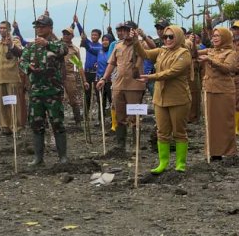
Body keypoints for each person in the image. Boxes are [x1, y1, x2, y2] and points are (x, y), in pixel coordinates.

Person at [134, 26, 192, 173]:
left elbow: (172, 72)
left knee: (179, 131)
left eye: (171, 37)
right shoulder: (161, 51)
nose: (167, 39)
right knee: (162, 131)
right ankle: (163, 163)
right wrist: (136, 42)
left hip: (178, 98)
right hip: (160, 98)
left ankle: (180, 163)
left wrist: (151, 77)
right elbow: (145, 54)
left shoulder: (184, 53)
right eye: (165, 37)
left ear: (178, 37)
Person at [20, 15, 69, 165]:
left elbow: (64, 50)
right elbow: (22, 61)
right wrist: (28, 67)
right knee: (37, 124)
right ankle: (38, 158)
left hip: (53, 92)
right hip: (36, 92)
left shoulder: (57, 44)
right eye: (37, 27)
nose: (39, 29)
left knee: (57, 124)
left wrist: (47, 44)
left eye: (42, 26)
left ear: (50, 28)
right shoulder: (30, 46)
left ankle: (63, 157)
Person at [96, 21, 145, 151]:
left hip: (135, 86)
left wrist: (138, 38)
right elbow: (111, 64)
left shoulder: (140, 45)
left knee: (135, 116)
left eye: (127, 29)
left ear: (133, 30)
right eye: (122, 30)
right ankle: (120, 144)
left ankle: (136, 144)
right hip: (118, 86)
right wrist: (104, 78)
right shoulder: (118, 46)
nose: (123, 32)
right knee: (119, 115)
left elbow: (149, 51)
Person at [198, 27, 237, 159]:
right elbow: (194, 53)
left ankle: (228, 152)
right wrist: (191, 43)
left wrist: (210, 60)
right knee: (211, 122)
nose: (214, 38)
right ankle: (214, 152)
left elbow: (228, 68)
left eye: (217, 36)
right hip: (209, 89)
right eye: (213, 36)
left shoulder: (231, 53)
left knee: (225, 122)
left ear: (225, 38)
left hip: (224, 91)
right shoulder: (210, 50)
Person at [0, 21, 24, 135]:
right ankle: (5, 126)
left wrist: (11, 45)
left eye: (4, 28)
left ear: (9, 30)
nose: (2, 30)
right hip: (0, 78)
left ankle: (16, 126)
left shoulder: (15, 41)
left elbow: (20, 53)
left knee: (14, 104)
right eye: (0, 28)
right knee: (3, 104)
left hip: (13, 78)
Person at [61, 25, 90, 126]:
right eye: (64, 33)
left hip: (69, 76)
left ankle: (78, 121)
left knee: (73, 99)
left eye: (67, 34)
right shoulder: (56, 45)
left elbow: (79, 66)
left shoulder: (74, 50)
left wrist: (84, 80)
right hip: (56, 75)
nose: (65, 35)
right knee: (56, 99)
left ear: (72, 36)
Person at [74, 15, 102, 115]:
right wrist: (77, 23)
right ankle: (86, 116)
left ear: (99, 36)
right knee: (87, 95)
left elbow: (89, 47)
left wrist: (85, 42)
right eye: (92, 35)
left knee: (99, 96)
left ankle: (100, 116)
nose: (94, 36)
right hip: (87, 72)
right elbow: (82, 34)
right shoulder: (89, 43)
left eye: (96, 35)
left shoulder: (100, 47)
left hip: (96, 73)